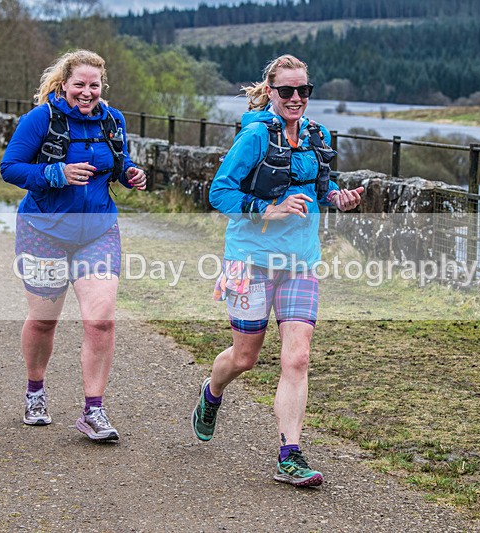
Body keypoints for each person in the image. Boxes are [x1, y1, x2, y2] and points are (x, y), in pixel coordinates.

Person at [192, 54, 364, 486]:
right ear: (270, 92)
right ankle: (212, 394)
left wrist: (338, 199)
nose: (295, 98)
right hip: (249, 260)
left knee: (298, 357)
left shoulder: (318, 136)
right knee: (245, 358)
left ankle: (290, 455)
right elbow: (219, 192)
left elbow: (320, 189)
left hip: (300, 263)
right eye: (286, 90)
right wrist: (270, 208)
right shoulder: (254, 135)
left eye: (303, 91)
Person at [0, 49, 146, 441]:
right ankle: (35, 391)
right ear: (64, 84)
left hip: (97, 232)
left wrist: (130, 174)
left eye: (93, 85)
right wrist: (57, 172)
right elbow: (10, 168)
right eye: (79, 84)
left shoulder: (113, 120)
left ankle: (93, 411)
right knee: (45, 320)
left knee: (101, 320)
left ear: (102, 86)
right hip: (43, 231)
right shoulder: (40, 119)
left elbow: (118, 162)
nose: (86, 92)